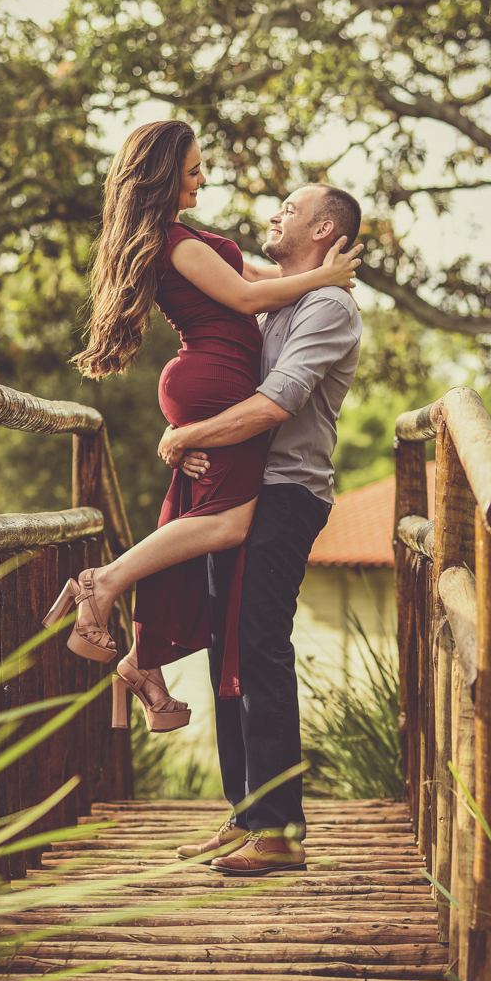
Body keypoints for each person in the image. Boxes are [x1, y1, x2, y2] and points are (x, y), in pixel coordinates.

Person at [43, 120, 362, 734]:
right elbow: (246, 300)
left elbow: (262, 282)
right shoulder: (177, 241)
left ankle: (144, 661)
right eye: (193, 170)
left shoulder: (181, 240)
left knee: (196, 519)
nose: (203, 179)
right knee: (227, 522)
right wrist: (325, 278)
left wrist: (323, 280)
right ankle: (101, 584)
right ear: (165, 176)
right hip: (215, 377)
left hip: (211, 378)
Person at [157, 182, 362, 875]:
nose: (275, 214)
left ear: (324, 229)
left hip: (284, 494)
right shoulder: (279, 300)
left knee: (258, 646)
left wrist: (186, 436)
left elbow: (277, 404)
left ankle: (279, 831)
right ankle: (247, 815)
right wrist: (193, 433)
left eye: (291, 209)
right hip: (242, 487)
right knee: (228, 648)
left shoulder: (328, 307)